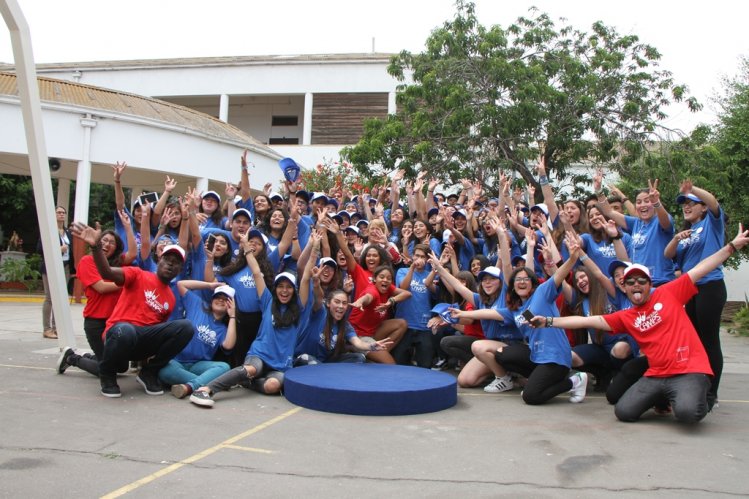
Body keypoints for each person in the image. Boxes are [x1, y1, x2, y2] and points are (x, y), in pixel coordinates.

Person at [531, 225, 749, 422]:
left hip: (687, 369)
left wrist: (731, 246)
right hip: (657, 374)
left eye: (641, 281)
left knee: (688, 414)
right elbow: (585, 320)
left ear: (649, 284)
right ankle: (663, 397)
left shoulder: (668, 293)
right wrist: (549, 321)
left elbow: (702, 268)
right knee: (624, 412)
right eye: (630, 282)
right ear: (624, 288)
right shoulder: (627, 316)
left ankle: (699, 393)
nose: (636, 285)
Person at [189, 235, 318, 407]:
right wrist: (245, 246)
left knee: (272, 386)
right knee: (251, 369)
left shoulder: (300, 308)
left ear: (294, 291)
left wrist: (315, 248)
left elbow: (306, 278)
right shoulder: (268, 301)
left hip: (280, 365)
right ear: (275, 288)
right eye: (280, 286)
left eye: (288, 287)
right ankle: (206, 390)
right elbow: (256, 272)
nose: (284, 291)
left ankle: (247, 382)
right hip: (259, 354)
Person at [70, 222, 194, 398]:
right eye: (167, 260)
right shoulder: (137, 274)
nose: (170, 265)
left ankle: (149, 373)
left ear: (180, 269)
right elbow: (106, 274)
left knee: (186, 327)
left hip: (141, 342)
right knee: (125, 330)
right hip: (119, 334)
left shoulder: (170, 299)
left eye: (175, 263)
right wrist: (96, 247)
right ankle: (107, 375)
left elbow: (156, 333)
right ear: (159, 259)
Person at [664, 181, 726, 408]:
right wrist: (676, 239)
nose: (686, 206)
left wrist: (692, 190)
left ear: (703, 208)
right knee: (695, 341)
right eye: (684, 204)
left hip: (710, 286)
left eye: (692, 203)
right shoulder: (686, 233)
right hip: (689, 290)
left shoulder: (712, 224)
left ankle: (712, 394)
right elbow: (668, 254)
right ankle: (698, 387)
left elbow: (713, 202)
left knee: (709, 341)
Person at [56, 226, 136, 377]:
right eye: (104, 240)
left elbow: (133, 253)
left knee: (122, 367)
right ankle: (72, 358)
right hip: (96, 323)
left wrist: (127, 225)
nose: (107, 244)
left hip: (113, 323)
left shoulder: (117, 263)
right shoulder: (87, 261)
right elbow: (101, 287)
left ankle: (93, 358)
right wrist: (125, 283)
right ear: (97, 242)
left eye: (112, 242)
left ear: (116, 248)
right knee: (107, 369)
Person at [159, 283, 237, 399]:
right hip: (177, 361)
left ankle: (189, 387)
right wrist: (210, 285)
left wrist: (232, 316)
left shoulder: (224, 328)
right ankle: (209, 384)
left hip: (198, 365)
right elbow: (181, 285)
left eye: (225, 299)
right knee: (165, 371)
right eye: (217, 297)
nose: (220, 300)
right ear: (212, 299)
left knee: (224, 367)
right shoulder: (198, 305)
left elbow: (229, 345)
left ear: (230, 304)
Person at [38, 205, 73, 339]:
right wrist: (59, 249)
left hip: (64, 267)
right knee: (50, 298)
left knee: (61, 298)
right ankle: (47, 329)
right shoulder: (48, 230)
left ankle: (57, 327)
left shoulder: (67, 232)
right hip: (50, 266)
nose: (61, 215)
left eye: (63, 212)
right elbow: (40, 249)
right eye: (58, 212)